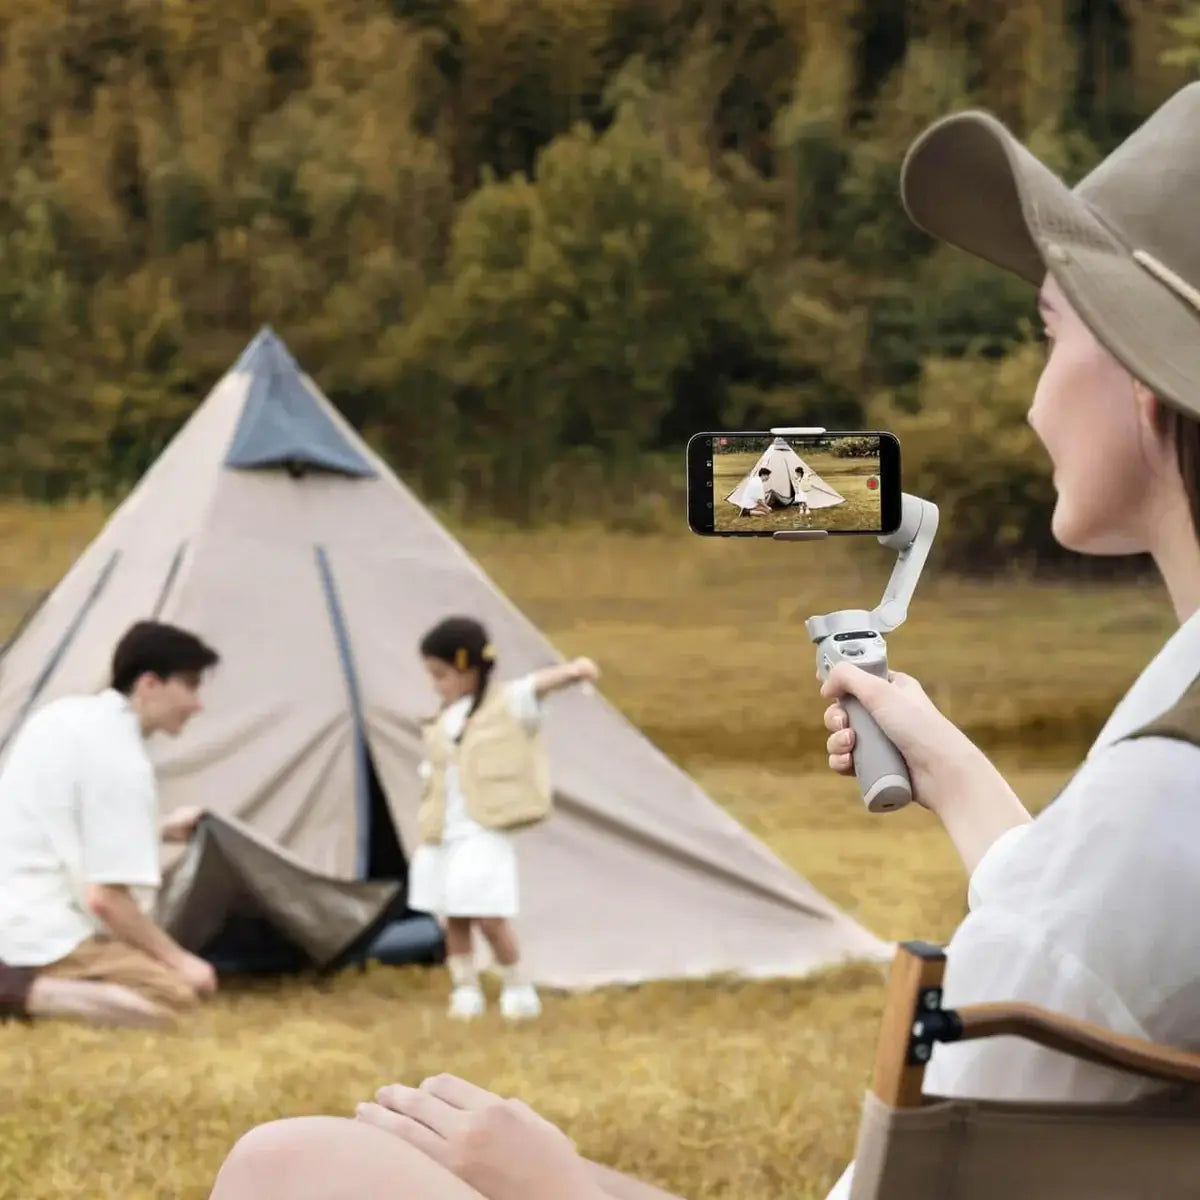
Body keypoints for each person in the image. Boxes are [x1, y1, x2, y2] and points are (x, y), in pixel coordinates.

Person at [206, 82, 1200, 1200]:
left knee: (285, 1168)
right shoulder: (1169, 754)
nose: (1031, 400)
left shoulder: (1162, 794)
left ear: (1146, 382)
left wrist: (558, 1182)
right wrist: (953, 772)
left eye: (1050, 333)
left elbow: (941, 1162)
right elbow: (1082, 928)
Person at [0, 620, 221, 1030]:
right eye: (190, 686)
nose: (197, 704)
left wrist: (159, 830)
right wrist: (181, 961)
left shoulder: (64, 715)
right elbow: (107, 900)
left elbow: (65, 819)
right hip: (38, 930)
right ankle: (22, 992)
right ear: (149, 684)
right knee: (173, 1000)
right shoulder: (122, 760)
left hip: (11, 908)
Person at [407, 615, 600, 1022]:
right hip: (445, 831)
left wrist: (572, 671)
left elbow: (535, 686)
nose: (436, 685)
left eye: (441, 674)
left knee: (490, 915)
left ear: (468, 669)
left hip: (482, 829)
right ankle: (465, 989)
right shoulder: (444, 718)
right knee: (453, 914)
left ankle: (517, 986)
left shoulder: (506, 704)